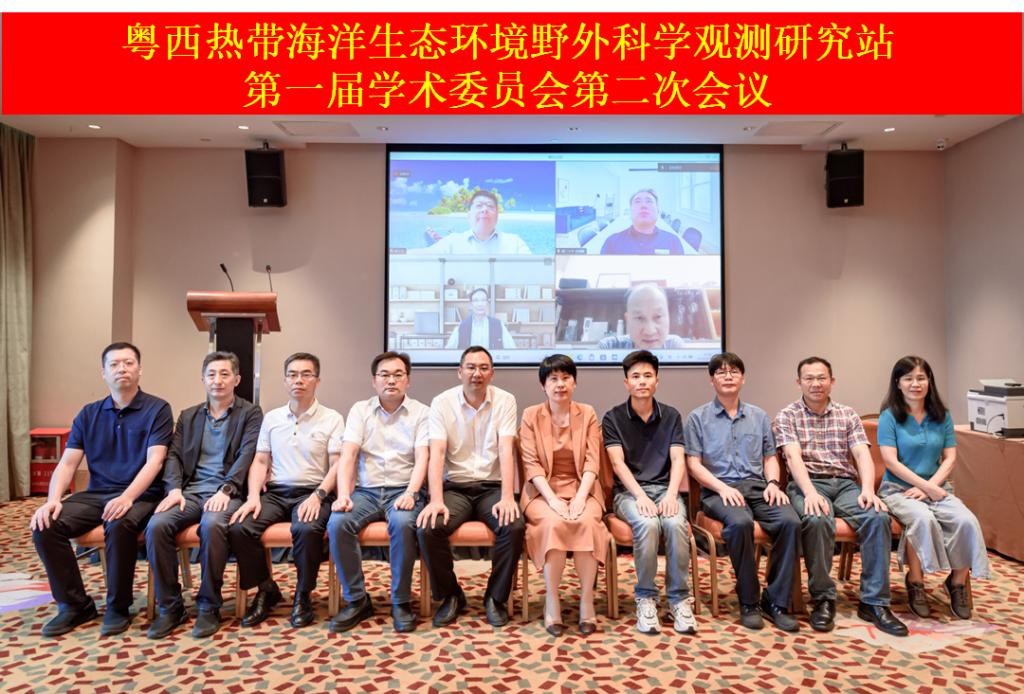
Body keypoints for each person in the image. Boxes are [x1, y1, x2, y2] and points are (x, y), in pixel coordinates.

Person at [30, 342, 173, 637]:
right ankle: (74, 605)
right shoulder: (88, 414)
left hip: (142, 494)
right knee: (46, 524)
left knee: (119, 522)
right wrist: (53, 500)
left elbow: (155, 461)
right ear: (104, 373)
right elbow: (68, 463)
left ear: (140, 370)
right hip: (97, 493)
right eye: (114, 364)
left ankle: (118, 607)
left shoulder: (157, 409)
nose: (122, 369)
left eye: (129, 363)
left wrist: (127, 497)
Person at [774, 357, 908, 636]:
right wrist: (810, 492)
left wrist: (868, 490)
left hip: (845, 484)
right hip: (807, 483)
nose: (816, 384)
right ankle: (823, 598)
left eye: (821, 378)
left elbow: (861, 454)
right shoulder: (788, 415)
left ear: (832, 381)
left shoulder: (847, 414)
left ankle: (874, 602)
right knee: (817, 518)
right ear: (799, 382)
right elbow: (792, 457)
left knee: (877, 517)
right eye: (809, 378)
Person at [144, 351, 263, 639]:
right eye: (211, 374)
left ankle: (209, 605)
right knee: (157, 526)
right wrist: (174, 489)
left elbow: (247, 454)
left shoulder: (250, 413)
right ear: (203, 379)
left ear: (237, 379)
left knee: (213, 525)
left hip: (228, 493)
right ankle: (171, 607)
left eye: (224, 374)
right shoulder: (188, 416)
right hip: (190, 493)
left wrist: (227, 489)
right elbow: (173, 456)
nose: (217, 380)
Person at [685, 352, 801, 632]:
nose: (728, 376)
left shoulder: (759, 416)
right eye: (721, 372)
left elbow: (770, 457)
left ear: (743, 378)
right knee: (740, 523)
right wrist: (722, 487)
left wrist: (773, 484)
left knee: (791, 522)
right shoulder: (698, 418)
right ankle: (749, 600)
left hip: (758, 487)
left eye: (734, 371)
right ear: (712, 380)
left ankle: (775, 600)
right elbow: (693, 464)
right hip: (718, 490)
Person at [228, 352, 344, 629]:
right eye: (292, 375)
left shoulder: (332, 418)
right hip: (277, 492)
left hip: (313, 492)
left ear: (317, 381)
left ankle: (303, 595)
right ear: (285, 381)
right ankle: (266, 588)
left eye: (306, 374)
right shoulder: (272, 418)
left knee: (306, 528)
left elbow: (338, 466)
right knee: (240, 527)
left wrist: (318, 495)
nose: (298, 380)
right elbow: (260, 461)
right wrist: (253, 497)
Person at [416, 345, 525, 628]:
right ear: (460, 372)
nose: (477, 373)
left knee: (513, 526)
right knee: (429, 527)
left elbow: (506, 449)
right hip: (456, 488)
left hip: (492, 488)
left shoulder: (505, 400)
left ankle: (495, 597)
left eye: (483, 368)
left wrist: (508, 497)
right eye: (471, 367)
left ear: (492, 373)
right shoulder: (442, 403)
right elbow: (437, 453)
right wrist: (435, 500)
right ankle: (451, 595)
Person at [876, 355, 990, 620]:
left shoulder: (943, 416)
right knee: (922, 518)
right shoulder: (889, 416)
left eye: (921, 378)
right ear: (898, 383)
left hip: (937, 488)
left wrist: (930, 488)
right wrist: (925, 487)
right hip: (898, 489)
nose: (915, 384)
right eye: (908, 378)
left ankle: (957, 583)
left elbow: (950, 459)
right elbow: (890, 461)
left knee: (967, 521)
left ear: (929, 381)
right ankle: (915, 581)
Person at [327, 352, 430, 634]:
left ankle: (400, 601)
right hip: (366, 492)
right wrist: (343, 494)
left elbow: (423, 457)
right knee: (338, 523)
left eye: (398, 375)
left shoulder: (422, 413)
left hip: (403, 490)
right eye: (384, 375)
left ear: (408, 380)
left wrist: (412, 492)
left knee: (403, 523)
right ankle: (357, 600)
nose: (391, 380)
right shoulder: (360, 410)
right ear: (374, 381)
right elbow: (348, 455)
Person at [604, 350, 698, 635]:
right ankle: (645, 597)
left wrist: (671, 495)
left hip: (665, 490)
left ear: (657, 380)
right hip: (629, 493)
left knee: (675, 523)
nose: (642, 381)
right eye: (635, 376)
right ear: (626, 382)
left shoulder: (671, 415)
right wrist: (641, 497)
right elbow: (618, 464)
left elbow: (678, 460)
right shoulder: (613, 418)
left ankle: (678, 599)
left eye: (648, 375)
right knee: (647, 524)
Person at [520, 355, 608, 637]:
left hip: (583, 487)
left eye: (566, 378)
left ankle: (586, 601)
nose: (560, 384)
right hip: (542, 492)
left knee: (586, 522)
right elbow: (531, 464)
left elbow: (593, 460)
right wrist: (553, 500)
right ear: (543, 385)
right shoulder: (531, 415)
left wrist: (581, 497)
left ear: (575, 382)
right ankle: (552, 600)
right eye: (553, 379)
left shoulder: (587, 413)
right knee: (554, 523)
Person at [427, 190, 532, 255]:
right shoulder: (453, 241)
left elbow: (535, 269)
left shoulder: (515, 243)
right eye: (479, 205)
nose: (484, 209)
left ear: (497, 215)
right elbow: (424, 255)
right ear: (469, 215)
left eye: (490, 206)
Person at [597, 284, 687, 350]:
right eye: (640, 318)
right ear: (628, 320)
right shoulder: (609, 347)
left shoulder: (675, 346)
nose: (650, 331)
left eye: (658, 317)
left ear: (668, 317)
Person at [599, 189, 685, 255]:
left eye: (649, 201)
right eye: (637, 201)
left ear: (658, 210)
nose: (643, 205)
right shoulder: (612, 243)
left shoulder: (673, 242)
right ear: (630, 210)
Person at [445, 287, 517, 350]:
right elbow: (449, 351)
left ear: (487, 304)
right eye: (476, 300)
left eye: (483, 300)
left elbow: (512, 349)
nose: (480, 304)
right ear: (470, 305)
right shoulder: (462, 326)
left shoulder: (498, 324)